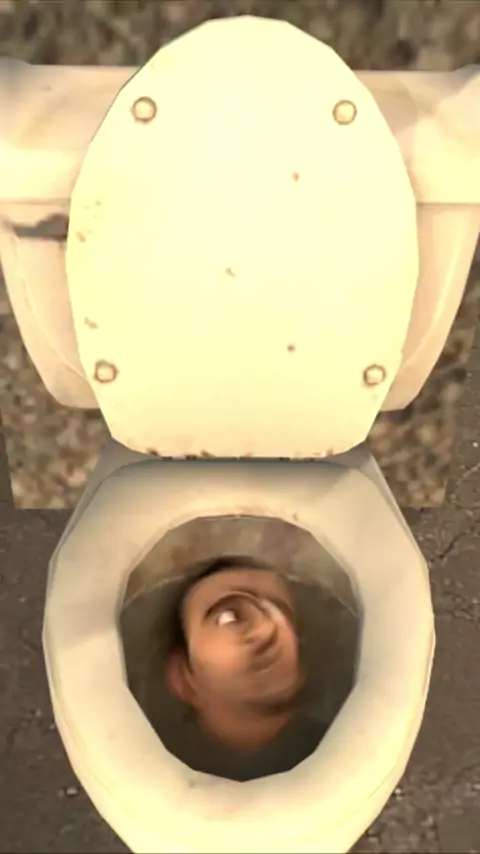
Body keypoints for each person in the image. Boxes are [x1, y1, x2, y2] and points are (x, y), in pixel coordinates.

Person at [164, 556, 324, 780]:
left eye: (281, 611)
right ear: (183, 678)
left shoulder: (346, 747)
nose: (268, 627)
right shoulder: (149, 766)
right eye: (230, 616)